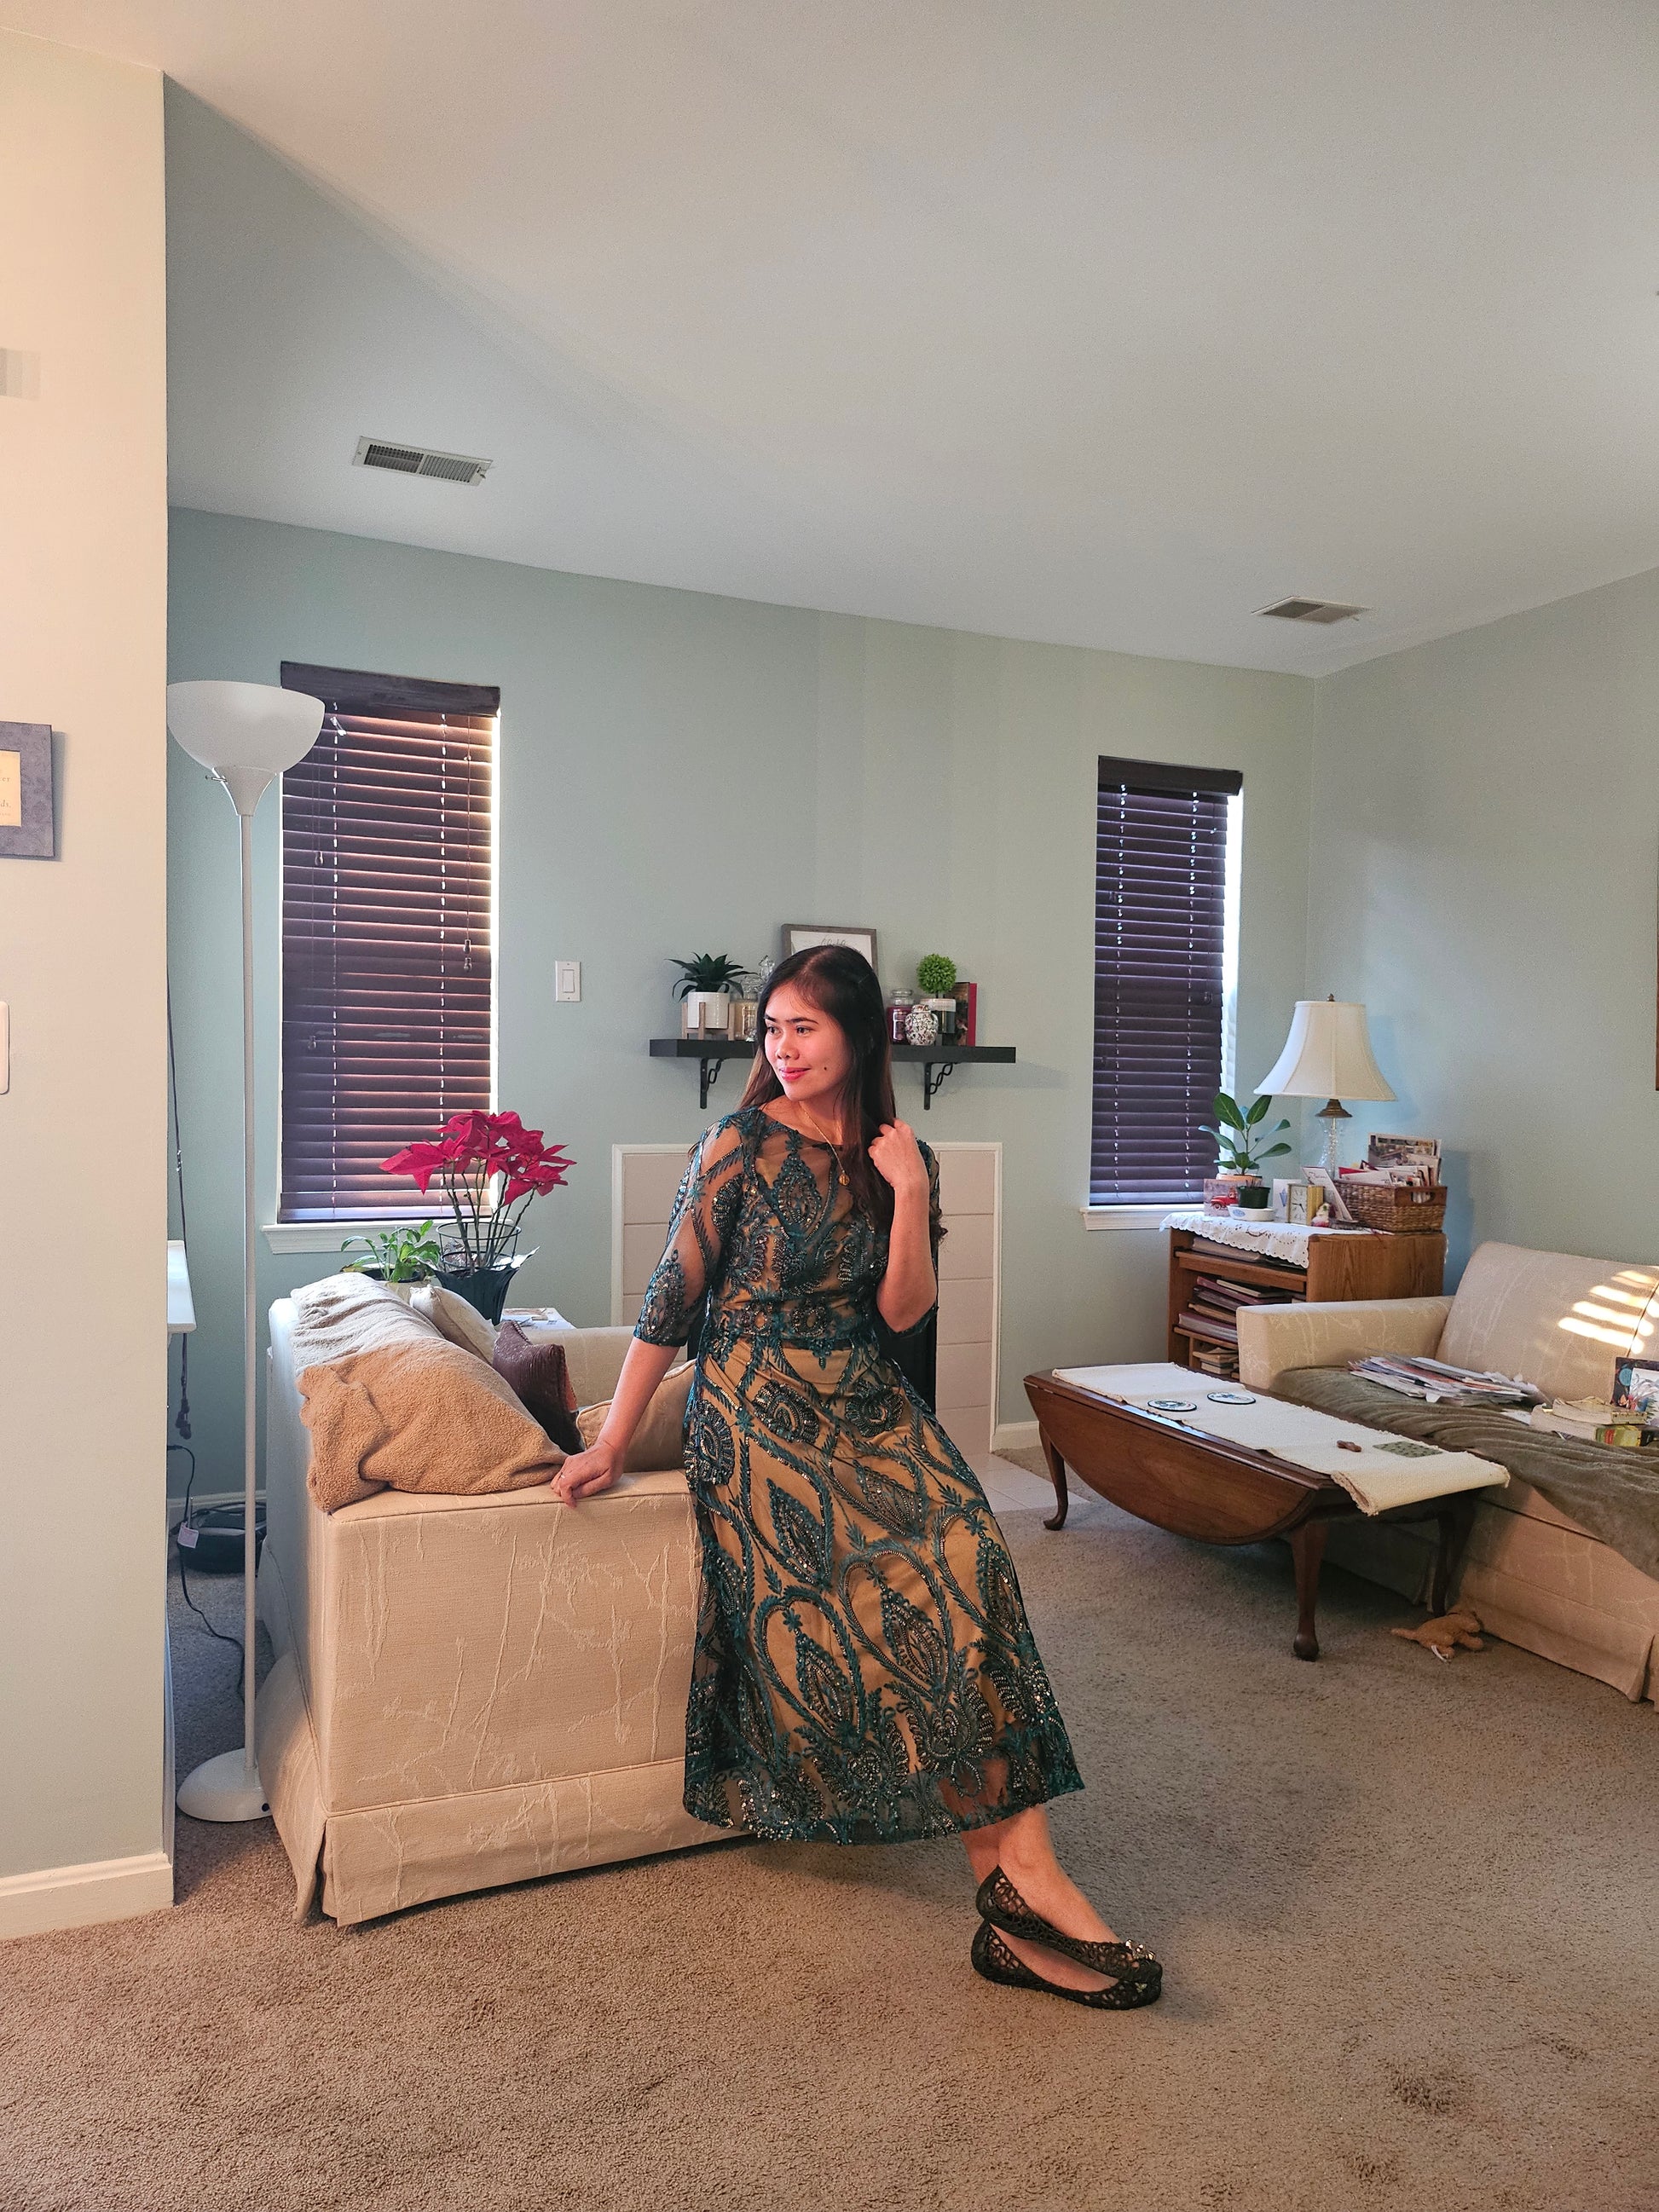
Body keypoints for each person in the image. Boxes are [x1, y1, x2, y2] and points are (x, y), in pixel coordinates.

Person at [553, 945, 1161, 2008]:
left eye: (804, 1028)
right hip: (752, 1399)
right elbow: (669, 1299)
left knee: (970, 1547)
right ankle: (1024, 1882)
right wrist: (613, 1435)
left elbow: (902, 1313)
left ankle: (1014, 1888)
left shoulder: (898, 1153)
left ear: (859, 1034)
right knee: (898, 1575)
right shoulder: (736, 1143)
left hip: (863, 1389)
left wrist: (911, 1189)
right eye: (771, 1029)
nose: (782, 1048)